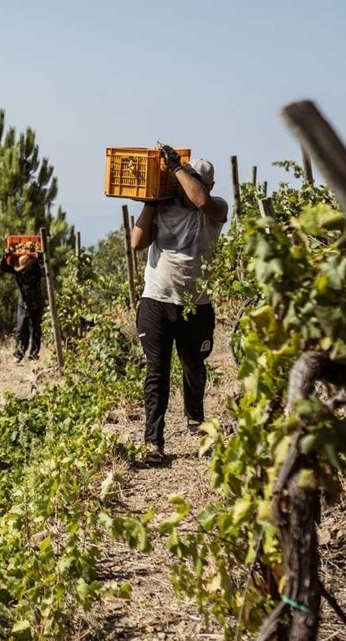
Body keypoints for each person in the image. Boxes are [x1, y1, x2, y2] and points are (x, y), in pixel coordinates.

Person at [130, 147, 228, 464]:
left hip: (196, 304)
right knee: (156, 373)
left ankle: (195, 422)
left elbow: (200, 201)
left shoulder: (215, 208)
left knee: (194, 367)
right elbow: (136, 243)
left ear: (206, 184)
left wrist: (176, 168)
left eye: (193, 179)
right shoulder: (164, 208)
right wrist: (150, 204)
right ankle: (153, 443)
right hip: (157, 300)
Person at [0, 244, 46, 361]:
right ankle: (18, 354)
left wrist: (40, 258)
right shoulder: (18, 271)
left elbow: (45, 271)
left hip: (36, 302)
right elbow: (2, 267)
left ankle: (33, 355)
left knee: (36, 330)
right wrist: (6, 256)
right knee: (21, 328)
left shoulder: (36, 269)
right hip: (23, 302)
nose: (23, 270)